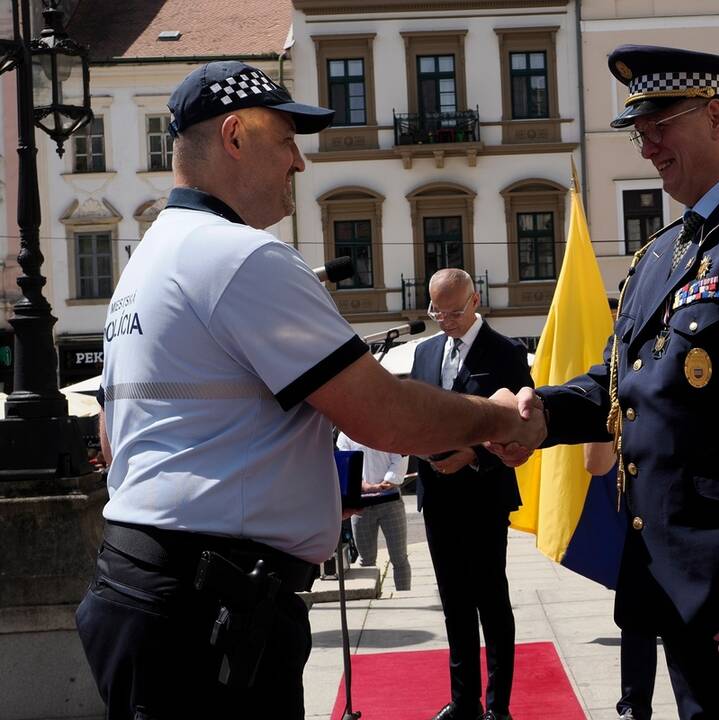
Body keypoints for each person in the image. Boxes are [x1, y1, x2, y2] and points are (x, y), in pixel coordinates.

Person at [75, 61, 543, 720]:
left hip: (148, 592)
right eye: (286, 139)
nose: (299, 162)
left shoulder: (146, 261)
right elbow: (386, 415)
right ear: (235, 135)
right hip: (210, 615)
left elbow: (121, 436)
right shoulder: (241, 257)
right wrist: (493, 417)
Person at [493, 45, 719, 718]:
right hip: (670, 578)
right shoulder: (662, 252)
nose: (647, 147)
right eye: (638, 132)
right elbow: (623, 386)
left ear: (716, 116)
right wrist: (542, 416)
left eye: (659, 126)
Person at [410, 269, 533, 720]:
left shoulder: (505, 352)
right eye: (436, 311)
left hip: (483, 495)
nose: (445, 320)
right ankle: (465, 702)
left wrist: (473, 456)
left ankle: (498, 707)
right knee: (454, 604)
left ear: (475, 300)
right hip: (437, 494)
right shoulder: (424, 353)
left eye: (453, 311)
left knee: (491, 601)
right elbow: (416, 415)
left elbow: (519, 426)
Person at [584, 441, 656, 720]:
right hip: (640, 517)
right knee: (637, 616)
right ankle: (633, 706)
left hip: (696, 518)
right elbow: (595, 463)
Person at [336, 432, 412, 591]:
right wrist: (365, 486)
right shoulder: (345, 434)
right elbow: (345, 465)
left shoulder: (386, 426)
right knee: (365, 559)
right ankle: (368, 594)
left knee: (399, 558)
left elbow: (400, 457)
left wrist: (387, 482)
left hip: (390, 500)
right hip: (361, 503)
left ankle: (403, 595)